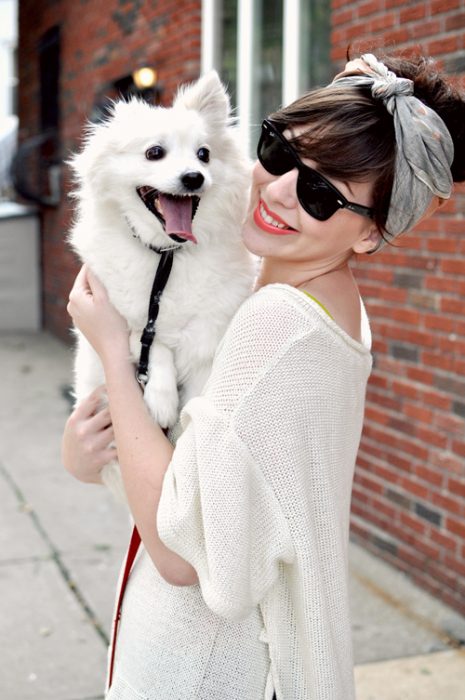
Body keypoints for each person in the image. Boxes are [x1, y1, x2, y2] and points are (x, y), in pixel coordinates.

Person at [63, 52, 465, 699]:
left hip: (209, 668)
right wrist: (90, 446)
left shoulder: (275, 328)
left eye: (319, 193)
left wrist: (113, 354)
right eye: (278, 151)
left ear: (368, 236)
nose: (278, 190)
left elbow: (179, 552)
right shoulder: (305, 298)